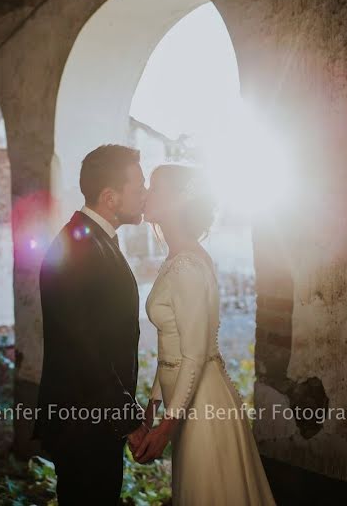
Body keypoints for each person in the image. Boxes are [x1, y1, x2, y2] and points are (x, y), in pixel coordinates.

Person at [133, 164, 276, 505]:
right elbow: (172, 348)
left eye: (155, 188)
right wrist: (153, 404)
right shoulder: (176, 258)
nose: (146, 194)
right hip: (183, 405)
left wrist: (165, 429)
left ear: (179, 202)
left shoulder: (189, 266)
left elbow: (194, 354)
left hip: (202, 407)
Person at [33, 144, 150, 504]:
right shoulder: (79, 248)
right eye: (139, 186)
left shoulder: (95, 241)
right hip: (83, 422)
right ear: (110, 197)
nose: (146, 195)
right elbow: (86, 350)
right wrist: (128, 418)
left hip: (94, 417)